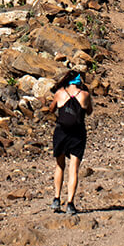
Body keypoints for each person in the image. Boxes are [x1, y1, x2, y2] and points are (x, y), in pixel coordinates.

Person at [44, 70, 91, 215]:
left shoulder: (60, 93)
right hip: (78, 133)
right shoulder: (85, 95)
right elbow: (89, 111)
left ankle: (56, 199)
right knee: (74, 169)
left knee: (60, 165)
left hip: (61, 132)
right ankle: (70, 203)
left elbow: (52, 109)